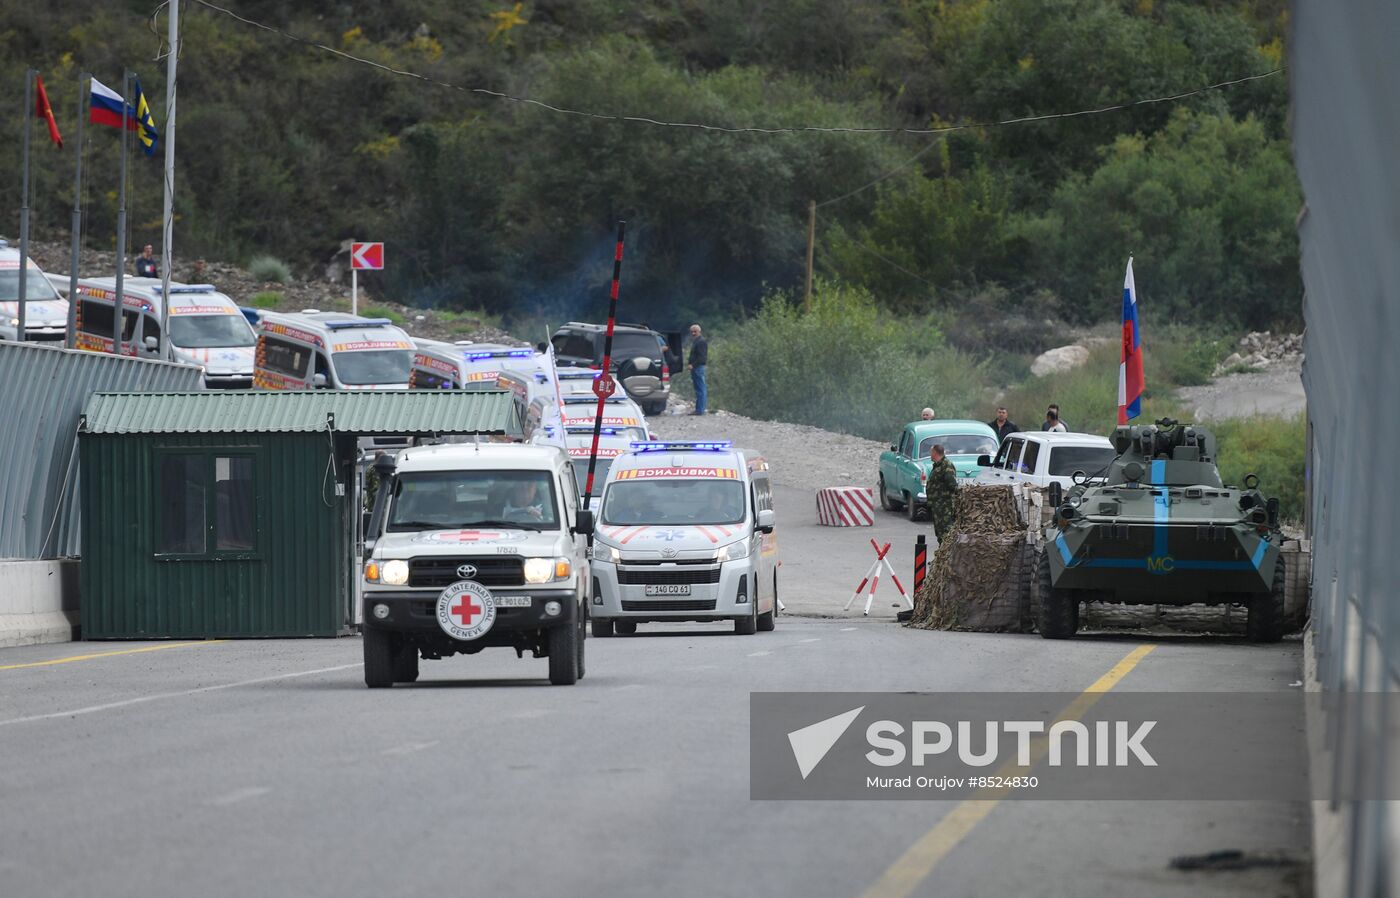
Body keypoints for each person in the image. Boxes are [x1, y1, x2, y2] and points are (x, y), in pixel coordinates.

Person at [926, 444, 959, 542]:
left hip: (945, 507)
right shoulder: (937, 465)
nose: (930, 455)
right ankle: (943, 553)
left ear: (935, 453)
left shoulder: (946, 465)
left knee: (946, 533)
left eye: (931, 452)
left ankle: (947, 554)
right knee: (940, 533)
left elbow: (952, 485)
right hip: (938, 507)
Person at [688, 323, 709, 416]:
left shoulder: (701, 342)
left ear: (699, 331)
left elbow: (702, 357)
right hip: (696, 368)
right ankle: (699, 409)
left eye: (695, 331)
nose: (693, 333)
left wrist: (693, 365)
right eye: (692, 332)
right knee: (698, 389)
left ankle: (700, 410)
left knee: (701, 389)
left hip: (698, 368)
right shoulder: (696, 341)